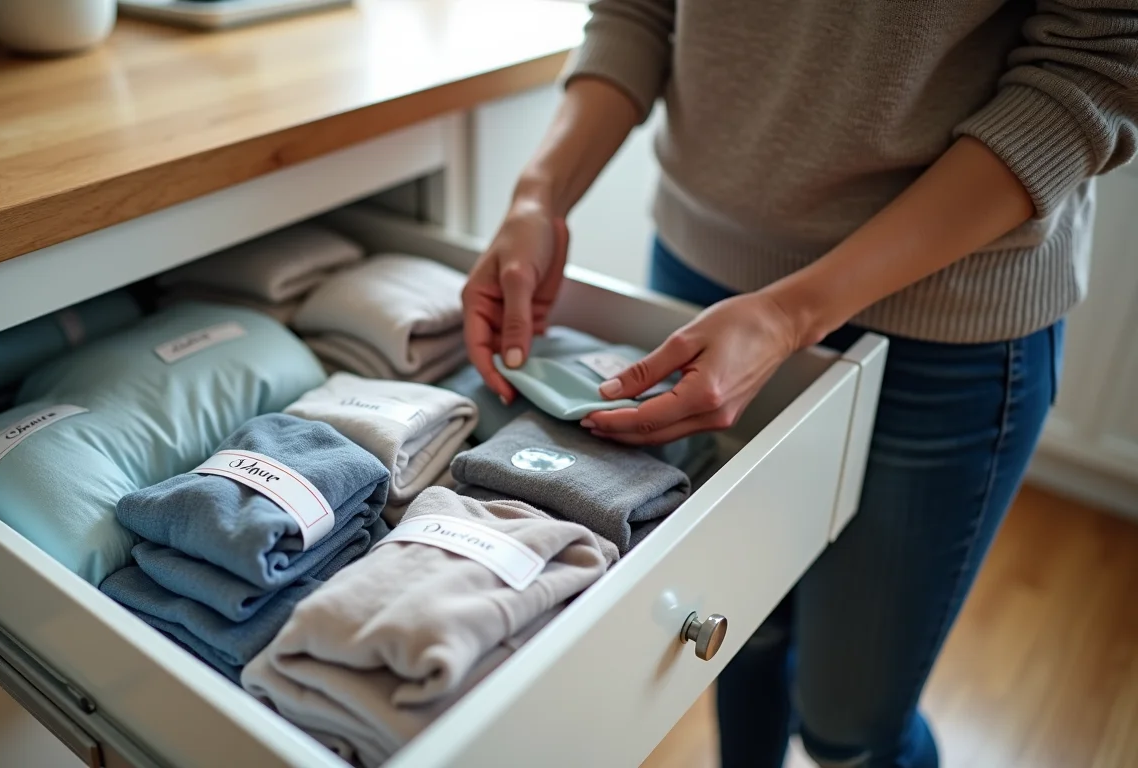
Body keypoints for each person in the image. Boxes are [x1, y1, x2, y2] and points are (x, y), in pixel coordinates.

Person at [460, 3, 1138, 767]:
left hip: (946, 322)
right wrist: (536, 197)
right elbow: (640, 11)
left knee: (850, 728)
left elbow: (1096, 69)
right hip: (696, 281)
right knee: (740, 636)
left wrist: (791, 314)